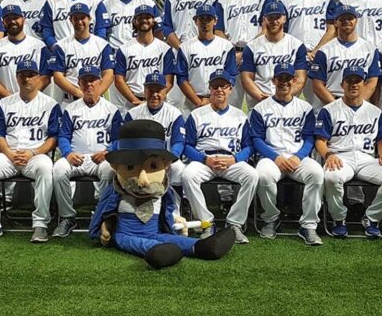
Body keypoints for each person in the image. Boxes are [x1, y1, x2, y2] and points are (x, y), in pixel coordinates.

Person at [88, 119, 235, 270]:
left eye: (153, 166)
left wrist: (176, 217)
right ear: (116, 166)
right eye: (130, 167)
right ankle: (163, 251)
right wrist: (106, 227)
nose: (143, 180)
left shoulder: (163, 192)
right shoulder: (116, 192)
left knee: (170, 238)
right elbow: (107, 212)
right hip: (126, 235)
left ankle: (202, 247)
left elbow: (168, 210)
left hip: (155, 232)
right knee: (139, 243)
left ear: (166, 164)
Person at [316, 66, 382, 239]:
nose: (353, 85)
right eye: (349, 81)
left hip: (366, 158)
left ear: (364, 85)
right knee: (332, 177)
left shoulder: (374, 112)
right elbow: (320, 141)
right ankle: (339, 219)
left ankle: (371, 218)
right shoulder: (329, 110)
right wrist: (328, 155)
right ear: (342, 84)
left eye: (357, 81)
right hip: (340, 156)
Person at [0, 59, 60, 243]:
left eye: (31, 75)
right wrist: (8, 153)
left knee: (46, 168)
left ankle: (40, 224)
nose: (26, 78)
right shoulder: (4, 104)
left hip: (36, 155)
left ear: (38, 78)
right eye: (22, 75)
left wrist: (34, 152)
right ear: (16, 78)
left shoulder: (50, 104)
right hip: (9, 155)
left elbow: (53, 137)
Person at [249, 64, 323, 245]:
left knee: (316, 173)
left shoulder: (305, 108)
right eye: (280, 79)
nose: (284, 82)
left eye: (287, 79)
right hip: (271, 157)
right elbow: (257, 140)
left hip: (299, 157)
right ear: (273, 81)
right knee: (263, 175)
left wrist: (299, 156)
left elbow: (309, 138)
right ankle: (271, 218)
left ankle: (309, 225)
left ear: (294, 80)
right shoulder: (261, 108)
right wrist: (276, 157)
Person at [181, 70, 258, 244]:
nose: (219, 90)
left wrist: (235, 159)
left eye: (223, 86)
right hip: (205, 161)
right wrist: (204, 159)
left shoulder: (239, 115)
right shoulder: (197, 114)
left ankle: (234, 224)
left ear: (230, 89)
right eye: (215, 86)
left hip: (231, 161)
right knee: (188, 175)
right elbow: (186, 146)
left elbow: (249, 146)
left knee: (252, 175)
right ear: (210, 89)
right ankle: (207, 223)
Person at [52, 66, 124, 238]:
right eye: (84, 81)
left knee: (109, 171)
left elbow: (119, 139)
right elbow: (63, 136)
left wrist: (108, 151)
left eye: (92, 80)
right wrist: (68, 153)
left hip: (101, 158)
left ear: (100, 82)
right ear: (79, 84)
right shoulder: (71, 109)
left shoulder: (111, 110)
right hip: (76, 156)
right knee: (58, 170)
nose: (89, 84)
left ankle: (103, 215)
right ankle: (67, 217)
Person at [125, 73, 187, 211]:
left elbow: (179, 142)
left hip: (166, 160)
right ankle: (130, 210)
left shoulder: (174, 114)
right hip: (138, 161)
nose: (154, 95)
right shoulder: (133, 114)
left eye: (158, 91)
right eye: (151, 90)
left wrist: (169, 159)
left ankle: (175, 212)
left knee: (179, 168)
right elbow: (125, 142)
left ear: (165, 91)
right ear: (145, 91)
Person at [308, 5, 382, 110]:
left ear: (356, 21)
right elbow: (318, 86)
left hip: (360, 104)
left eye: (350, 18)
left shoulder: (370, 49)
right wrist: (338, 107)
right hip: (330, 103)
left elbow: (372, 82)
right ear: (335, 22)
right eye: (342, 19)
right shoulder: (324, 51)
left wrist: (358, 105)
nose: (346, 21)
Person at [239, 0, 308, 109]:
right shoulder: (252, 47)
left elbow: (300, 79)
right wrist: (264, 98)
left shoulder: (297, 45)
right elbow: (246, 78)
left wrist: (284, 97)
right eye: (270, 18)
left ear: (284, 19)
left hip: (288, 105)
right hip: (259, 104)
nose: (274, 21)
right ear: (264, 19)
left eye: (277, 17)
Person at [49, 2, 116, 107]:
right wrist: (78, 93)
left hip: (96, 100)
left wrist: (95, 94)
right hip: (70, 100)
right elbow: (58, 76)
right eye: (75, 18)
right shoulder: (61, 46)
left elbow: (109, 74)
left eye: (82, 18)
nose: (79, 21)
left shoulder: (102, 45)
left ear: (89, 19)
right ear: (71, 20)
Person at [0, 4, 52, 101]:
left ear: (23, 19)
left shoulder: (39, 46)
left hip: (35, 102)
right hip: (7, 103)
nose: (12, 21)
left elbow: (46, 76)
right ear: (2, 23)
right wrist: (11, 98)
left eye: (15, 18)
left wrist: (29, 95)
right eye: (8, 19)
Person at [175, 3, 237, 112]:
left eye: (209, 18)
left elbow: (231, 75)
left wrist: (215, 99)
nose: (205, 22)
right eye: (201, 18)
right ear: (195, 21)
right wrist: (198, 102)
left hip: (220, 100)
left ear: (215, 21)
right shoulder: (185, 47)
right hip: (192, 102)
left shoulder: (226, 46)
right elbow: (181, 78)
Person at [113, 6, 176, 111]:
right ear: (134, 21)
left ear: (153, 21)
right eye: (140, 17)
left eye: (147, 17)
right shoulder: (124, 49)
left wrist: (154, 98)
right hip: (132, 103)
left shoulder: (165, 49)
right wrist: (135, 101)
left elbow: (169, 81)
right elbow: (119, 80)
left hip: (158, 102)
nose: (144, 20)